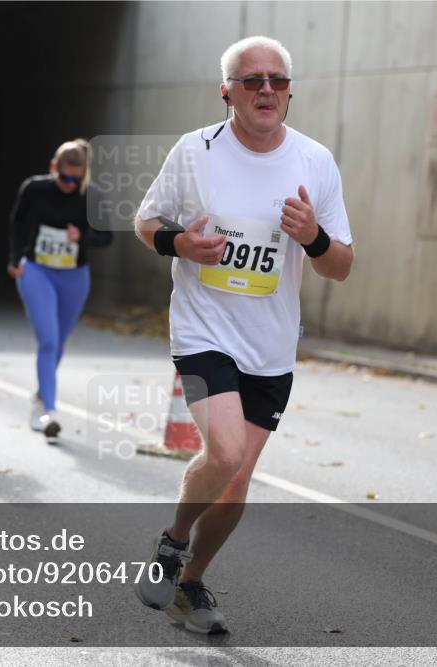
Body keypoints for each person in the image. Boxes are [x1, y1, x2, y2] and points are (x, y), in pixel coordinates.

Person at [132, 36, 354, 634]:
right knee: (224, 452)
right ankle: (174, 541)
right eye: (251, 79)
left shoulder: (314, 161)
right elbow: (145, 219)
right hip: (204, 329)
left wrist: (312, 236)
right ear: (226, 91)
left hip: (271, 345)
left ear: (289, 94)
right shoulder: (194, 150)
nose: (265, 89)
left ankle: (190, 580)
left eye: (276, 80)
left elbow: (341, 265)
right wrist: (178, 242)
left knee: (233, 489)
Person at [7, 139, 112, 438]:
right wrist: (15, 259)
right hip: (36, 271)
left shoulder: (91, 196)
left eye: (76, 179)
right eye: (65, 177)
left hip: (74, 276)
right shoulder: (35, 188)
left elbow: (106, 238)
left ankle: (40, 396)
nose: (69, 184)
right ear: (55, 168)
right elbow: (17, 221)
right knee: (49, 340)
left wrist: (83, 238)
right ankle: (49, 411)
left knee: (61, 341)